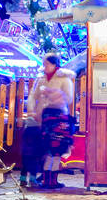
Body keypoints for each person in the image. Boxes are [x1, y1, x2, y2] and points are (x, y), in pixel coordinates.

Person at [24, 53, 76, 189]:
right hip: (44, 117)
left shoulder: (64, 79)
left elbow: (69, 98)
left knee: (57, 149)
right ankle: (46, 179)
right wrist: (31, 110)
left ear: (54, 64)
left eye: (47, 63)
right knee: (47, 148)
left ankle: (53, 180)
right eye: (44, 63)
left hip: (59, 116)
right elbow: (32, 95)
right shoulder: (40, 79)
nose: (44, 66)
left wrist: (53, 95)